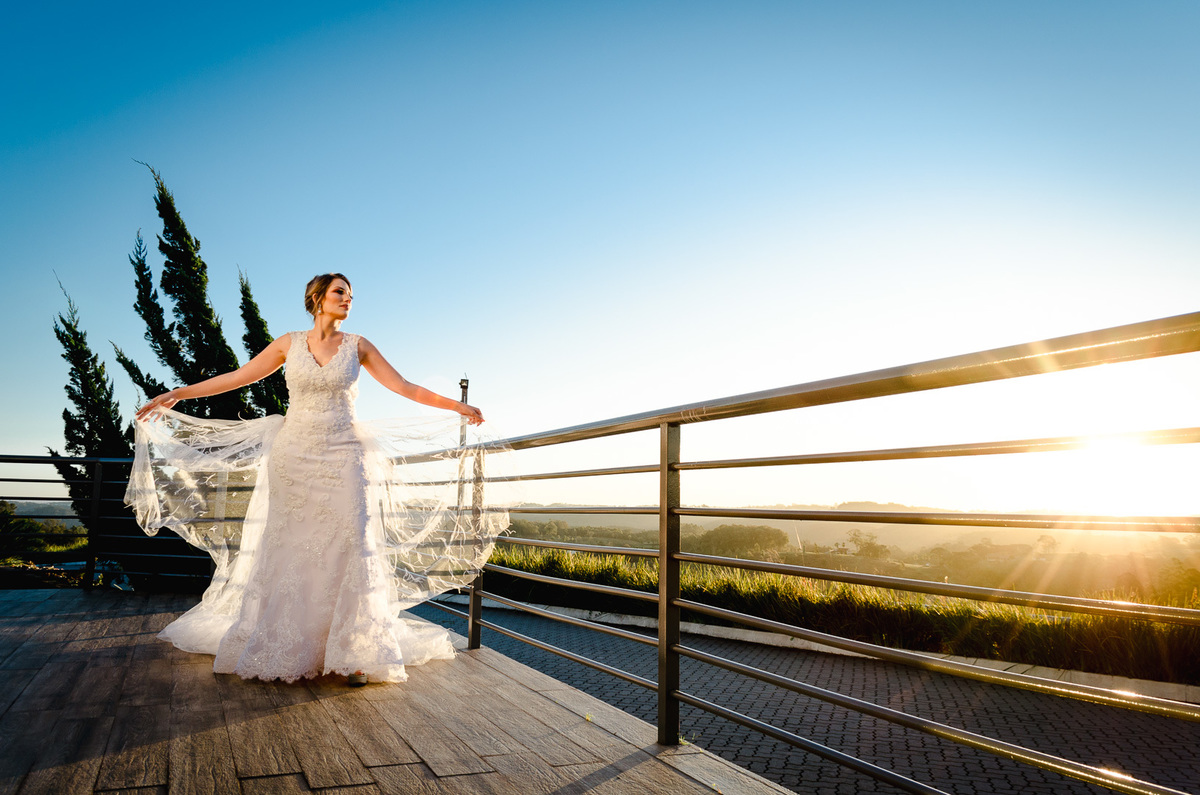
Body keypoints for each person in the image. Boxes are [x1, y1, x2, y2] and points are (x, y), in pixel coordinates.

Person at [126, 273, 507, 685]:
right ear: (318, 298)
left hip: (346, 454)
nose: (348, 300)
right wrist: (180, 393)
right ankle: (290, 643)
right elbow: (239, 376)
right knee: (290, 544)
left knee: (353, 541)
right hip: (294, 455)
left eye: (351, 295)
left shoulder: (359, 345)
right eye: (340, 292)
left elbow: (404, 386)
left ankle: (356, 652)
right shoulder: (289, 343)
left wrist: (457, 406)